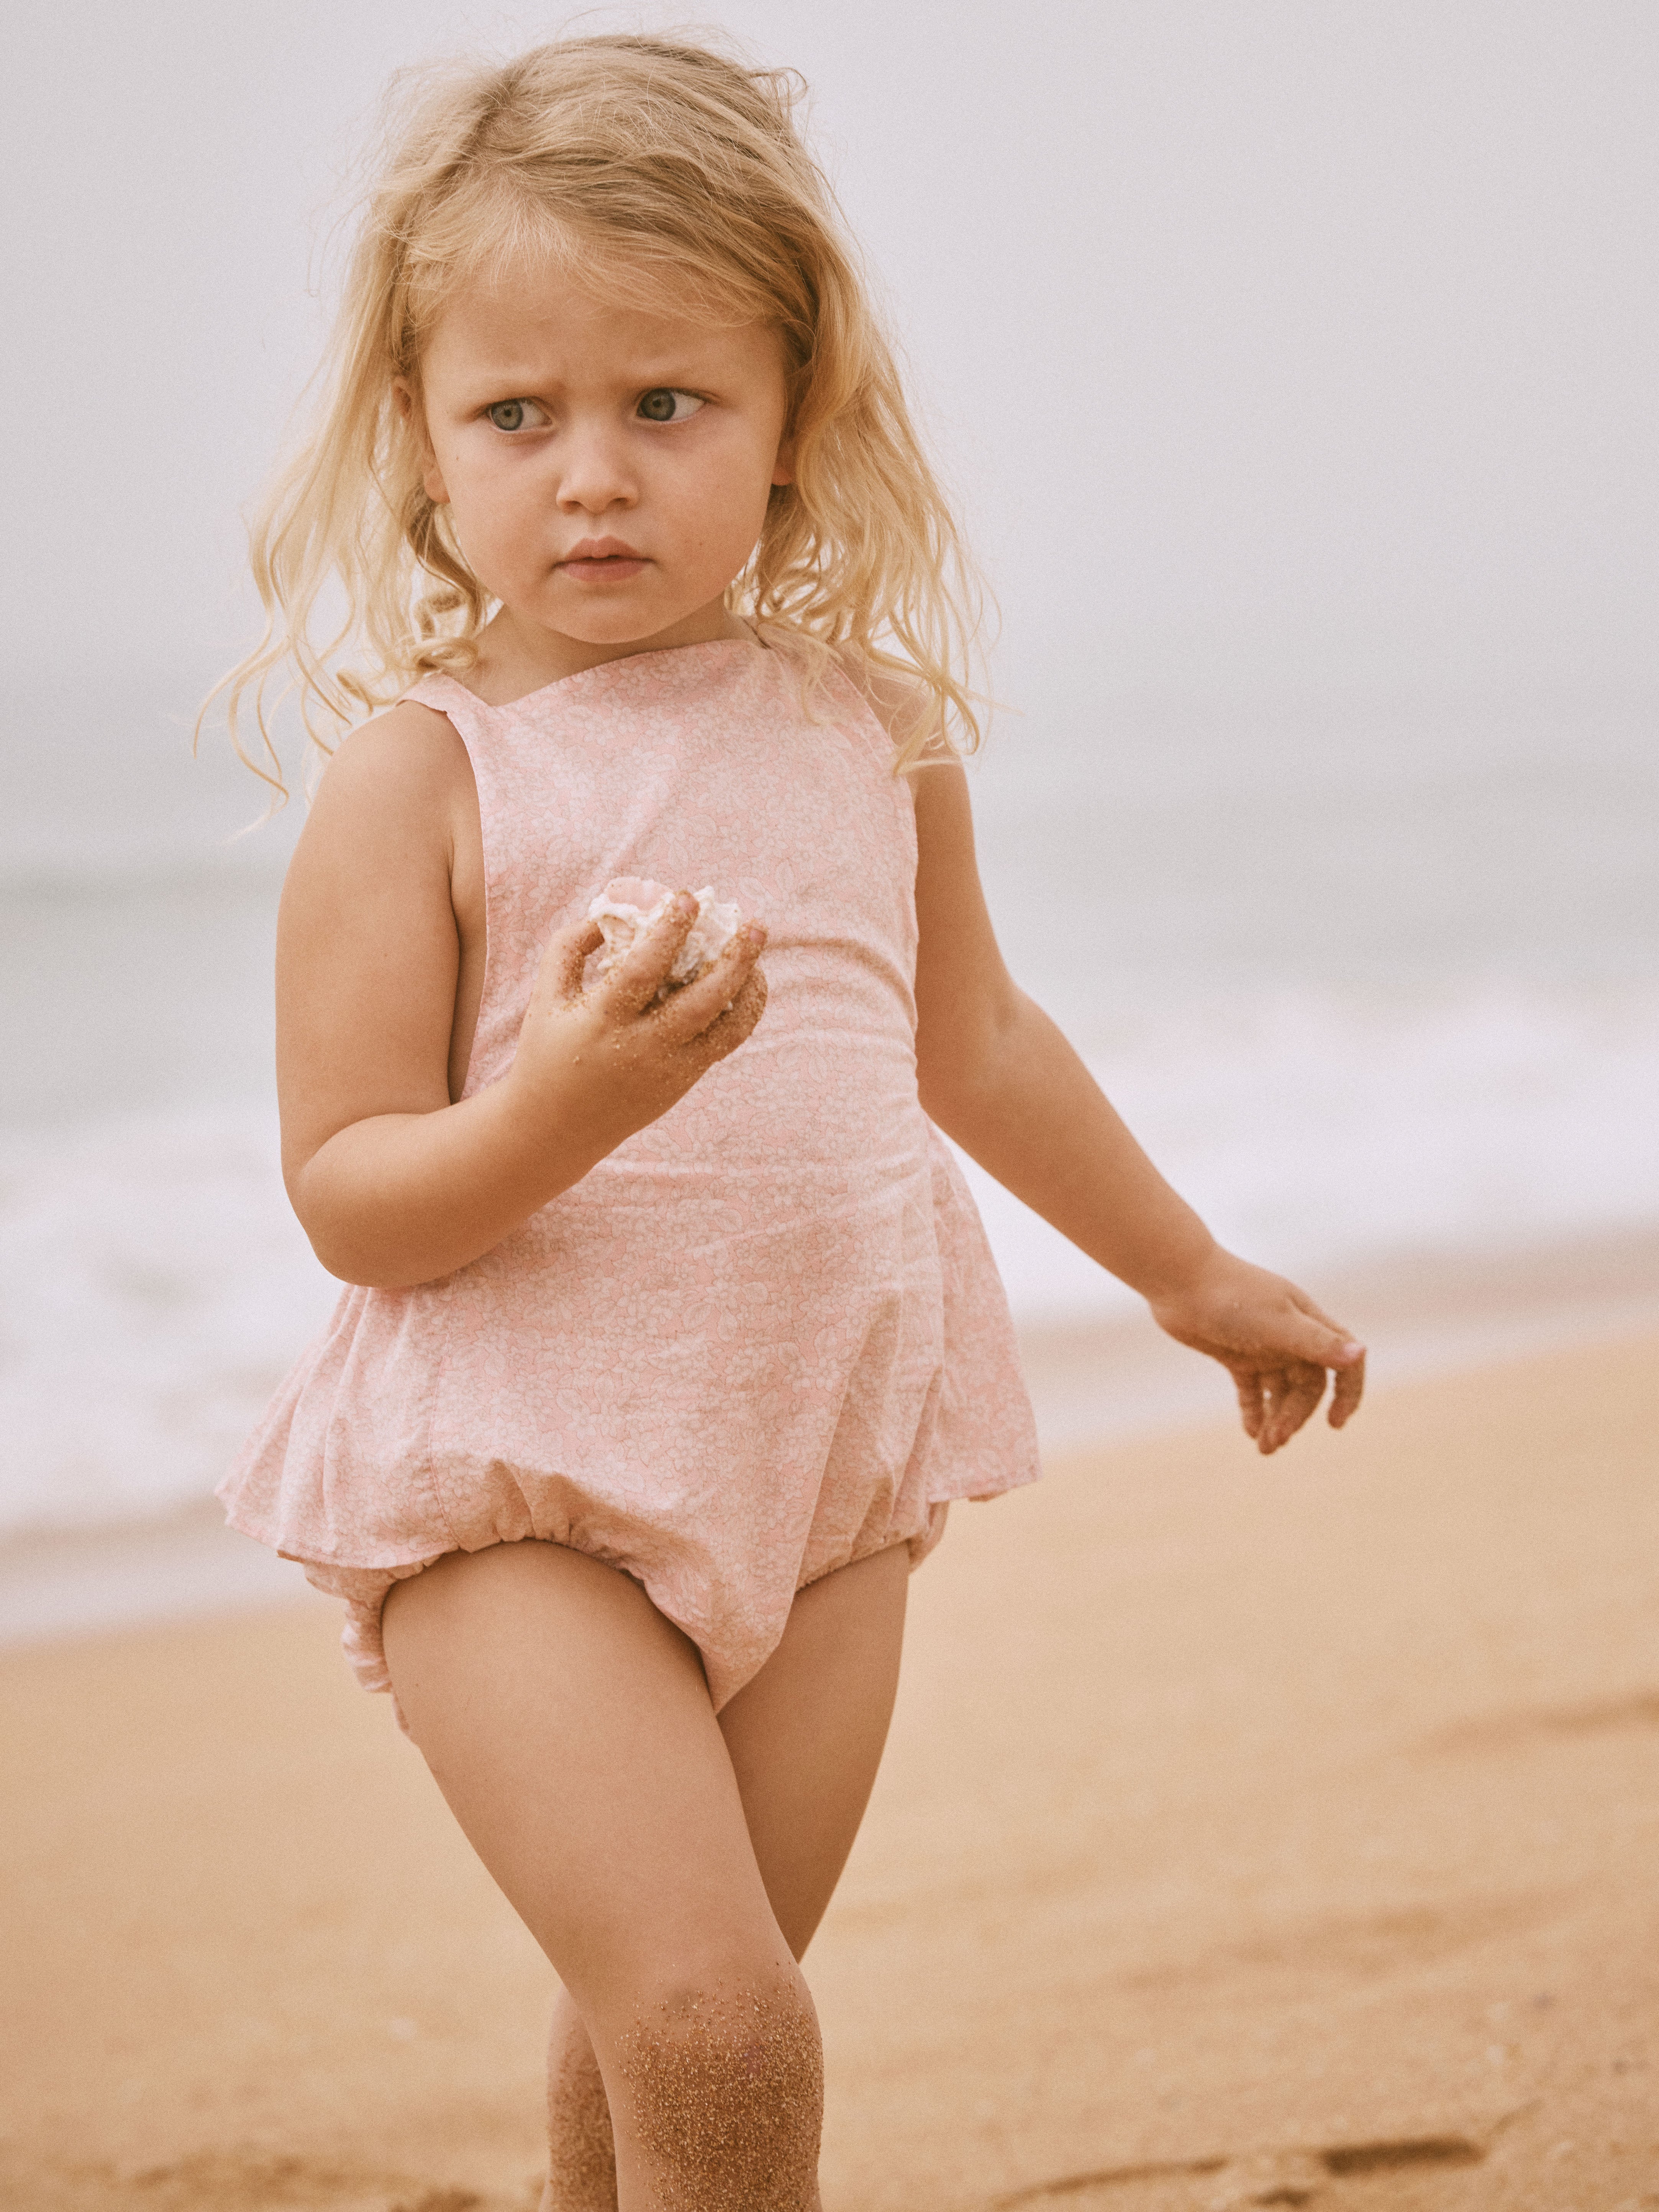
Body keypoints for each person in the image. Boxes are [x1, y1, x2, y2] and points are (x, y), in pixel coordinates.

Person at [210, 34, 1366, 2211]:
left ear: (796, 410)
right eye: (518, 415)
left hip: (823, 1471)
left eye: (669, 405)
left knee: (666, 2022)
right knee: (725, 2021)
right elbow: (354, 1198)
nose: (594, 475)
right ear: (418, 437)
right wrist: (565, 1105)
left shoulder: (869, 729)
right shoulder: (425, 777)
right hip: (517, 1485)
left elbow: (979, 1041)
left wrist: (1193, 1271)